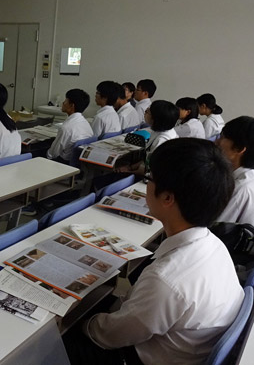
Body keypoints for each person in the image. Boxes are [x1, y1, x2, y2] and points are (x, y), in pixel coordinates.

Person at [66, 138, 244, 365]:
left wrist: (82, 323)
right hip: (183, 346)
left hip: (136, 358)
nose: (146, 184)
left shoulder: (166, 280)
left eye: (149, 178)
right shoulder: (213, 245)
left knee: (60, 335)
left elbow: (110, 336)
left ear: (168, 198)